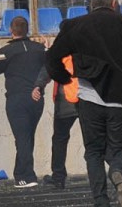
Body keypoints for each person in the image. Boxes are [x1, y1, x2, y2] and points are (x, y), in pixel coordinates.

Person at [46, 0, 122, 207]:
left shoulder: (74, 25)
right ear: (114, 3)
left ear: (90, 4)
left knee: (93, 151)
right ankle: (117, 170)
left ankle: (100, 200)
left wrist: (65, 79)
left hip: (88, 98)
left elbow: (52, 59)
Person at [0, 14, 48, 189]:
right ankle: (20, 173)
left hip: (17, 100)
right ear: (27, 30)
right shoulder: (39, 49)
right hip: (37, 98)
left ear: (11, 30)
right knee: (27, 137)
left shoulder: (5, 51)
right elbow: (49, 66)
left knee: (22, 138)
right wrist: (47, 49)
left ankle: (27, 176)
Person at [43, 52, 81, 190]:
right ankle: (115, 169)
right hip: (86, 99)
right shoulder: (88, 47)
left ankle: (58, 178)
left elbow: (49, 69)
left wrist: (38, 85)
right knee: (94, 140)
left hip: (65, 100)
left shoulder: (61, 51)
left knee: (60, 139)